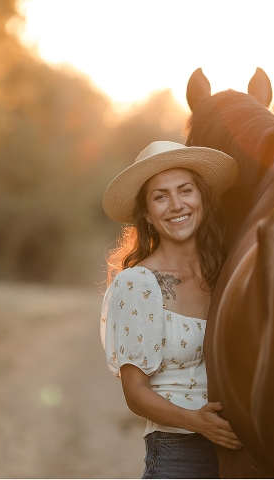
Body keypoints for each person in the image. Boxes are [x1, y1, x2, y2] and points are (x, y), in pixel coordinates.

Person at [101, 140, 241, 479]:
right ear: (147, 215)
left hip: (242, 450)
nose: (176, 204)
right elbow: (135, 394)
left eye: (185, 190)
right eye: (160, 196)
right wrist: (197, 422)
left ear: (202, 198)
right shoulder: (138, 283)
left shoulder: (227, 272)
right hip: (179, 454)